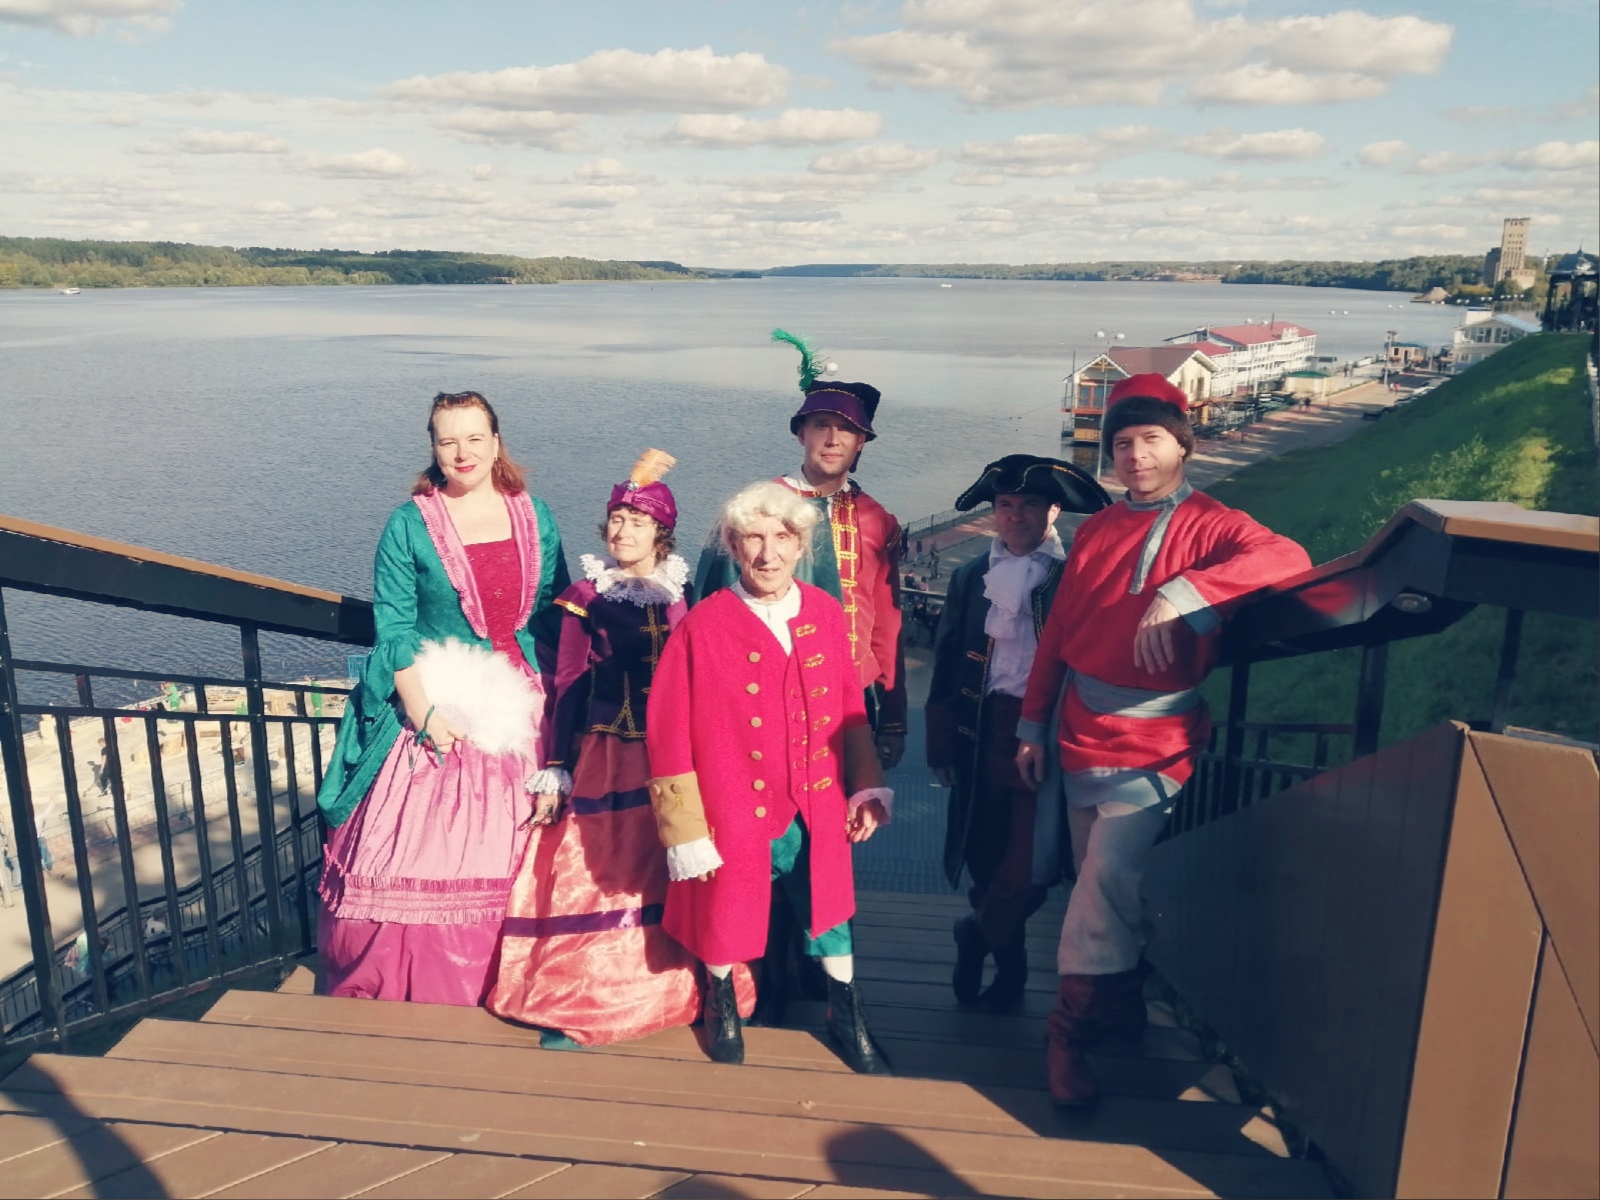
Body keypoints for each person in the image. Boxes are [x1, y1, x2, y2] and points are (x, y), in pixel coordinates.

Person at [1015, 374, 1311, 1106]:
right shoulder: (1097, 530)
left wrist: (1186, 593)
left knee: (1105, 878)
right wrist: (1032, 724)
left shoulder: (1213, 523)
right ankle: (1120, 1008)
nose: (1135, 455)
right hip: (1079, 728)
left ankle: (1066, 1035)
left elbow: (1289, 558)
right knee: (1101, 882)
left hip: (1158, 739)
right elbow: (1058, 635)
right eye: (1122, 443)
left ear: (1183, 446)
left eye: (1151, 439)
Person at [316, 390, 569, 1006]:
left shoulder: (535, 515)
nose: (463, 453)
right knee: (426, 851)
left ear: (496, 442)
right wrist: (424, 712)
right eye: (448, 440)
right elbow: (394, 629)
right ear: (432, 447)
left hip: (527, 702)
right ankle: (429, 992)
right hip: (437, 700)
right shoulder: (408, 524)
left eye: (475, 438)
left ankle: (530, 981)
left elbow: (558, 614)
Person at [648, 481, 894, 1074]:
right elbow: (668, 731)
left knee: (830, 912)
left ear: (801, 544)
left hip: (816, 806)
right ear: (734, 546)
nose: (768, 553)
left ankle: (846, 1013)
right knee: (724, 910)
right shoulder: (701, 626)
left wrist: (865, 785)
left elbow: (851, 709)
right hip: (730, 807)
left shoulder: (825, 614)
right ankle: (722, 1005)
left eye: (782, 537)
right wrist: (686, 829)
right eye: (753, 538)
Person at [489, 450, 702, 1046]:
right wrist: (557, 766)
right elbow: (568, 682)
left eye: (637, 522)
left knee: (668, 865)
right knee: (595, 869)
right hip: (606, 753)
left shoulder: (681, 590)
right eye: (616, 520)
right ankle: (579, 996)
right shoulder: (585, 595)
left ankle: (675, 987)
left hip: (670, 753)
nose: (622, 530)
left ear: (661, 533)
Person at [926, 455, 1109, 1011]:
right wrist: (940, 743)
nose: (1015, 516)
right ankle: (1010, 976)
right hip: (980, 730)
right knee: (985, 854)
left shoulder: (1077, 576)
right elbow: (948, 660)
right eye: (1005, 505)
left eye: (1029, 504)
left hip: (1046, 734)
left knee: (1034, 863)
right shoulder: (968, 576)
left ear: (1053, 511)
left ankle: (975, 935)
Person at [695, 330, 907, 767]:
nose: (833, 439)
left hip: (853, 698)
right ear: (800, 435)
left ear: (861, 441)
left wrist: (893, 718)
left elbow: (887, 624)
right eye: (821, 426)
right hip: (768, 691)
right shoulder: (756, 507)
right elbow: (711, 609)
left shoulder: (876, 519)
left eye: (846, 429)